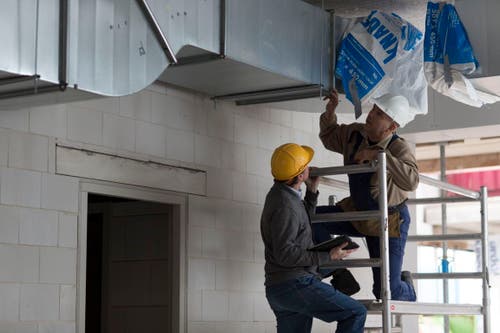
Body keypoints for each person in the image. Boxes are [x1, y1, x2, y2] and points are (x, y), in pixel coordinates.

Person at [314, 90, 418, 302]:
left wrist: (381, 157)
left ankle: (407, 288)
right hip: (358, 212)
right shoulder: (355, 134)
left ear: (392, 127)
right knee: (309, 218)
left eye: (380, 114)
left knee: (385, 291)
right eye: (374, 109)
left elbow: (411, 181)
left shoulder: (398, 147)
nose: (371, 115)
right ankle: (338, 272)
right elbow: (329, 136)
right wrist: (330, 111)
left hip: (389, 222)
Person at [261, 143, 367, 333]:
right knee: (355, 313)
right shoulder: (286, 205)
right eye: (306, 166)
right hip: (296, 284)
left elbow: (301, 225)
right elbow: (285, 253)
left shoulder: (282, 195)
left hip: (280, 288)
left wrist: (311, 192)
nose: (310, 168)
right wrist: (328, 257)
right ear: (301, 175)